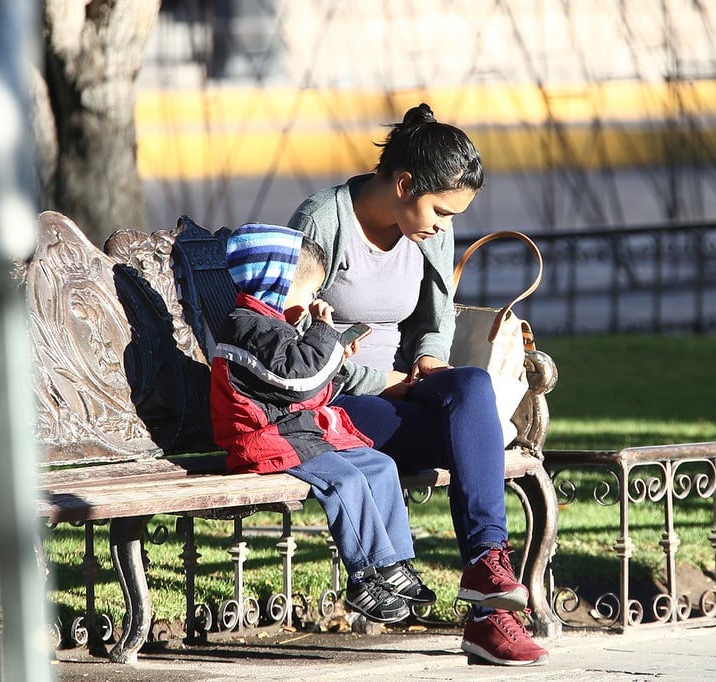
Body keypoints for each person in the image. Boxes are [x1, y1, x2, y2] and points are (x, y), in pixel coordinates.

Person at [287, 103, 549, 666]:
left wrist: (429, 358)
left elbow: (438, 316)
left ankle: (486, 568)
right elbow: (289, 334)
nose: (443, 224)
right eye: (439, 209)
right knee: (472, 437)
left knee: (473, 388)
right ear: (404, 183)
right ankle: (491, 619)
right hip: (336, 401)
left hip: (406, 386)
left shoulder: (427, 231)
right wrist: (377, 378)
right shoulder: (323, 221)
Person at [210, 222, 437, 624]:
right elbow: (298, 380)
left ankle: (392, 565)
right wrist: (323, 336)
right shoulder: (249, 329)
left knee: (380, 465)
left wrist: (334, 353)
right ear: (277, 285)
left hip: (295, 432)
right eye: (310, 291)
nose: (314, 300)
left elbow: (306, 385)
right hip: (263, 438)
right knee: (344, 480)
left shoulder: (273, 327)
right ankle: (363, 576)